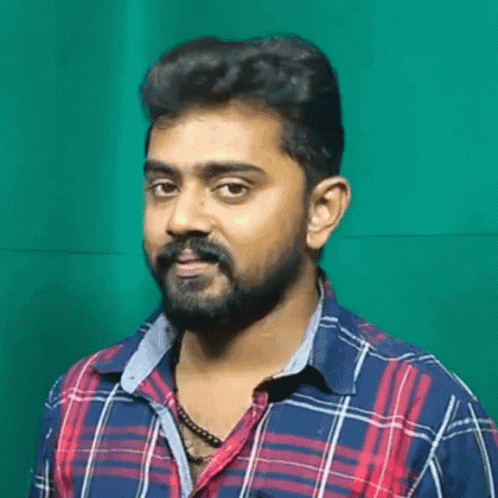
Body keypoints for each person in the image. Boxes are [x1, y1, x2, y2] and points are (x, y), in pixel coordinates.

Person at [29, 35, 498, 498]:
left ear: (321, 211)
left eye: (232, 187)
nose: (181, 219)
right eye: (164, 187)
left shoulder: (424, 419)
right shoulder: (79, 402)